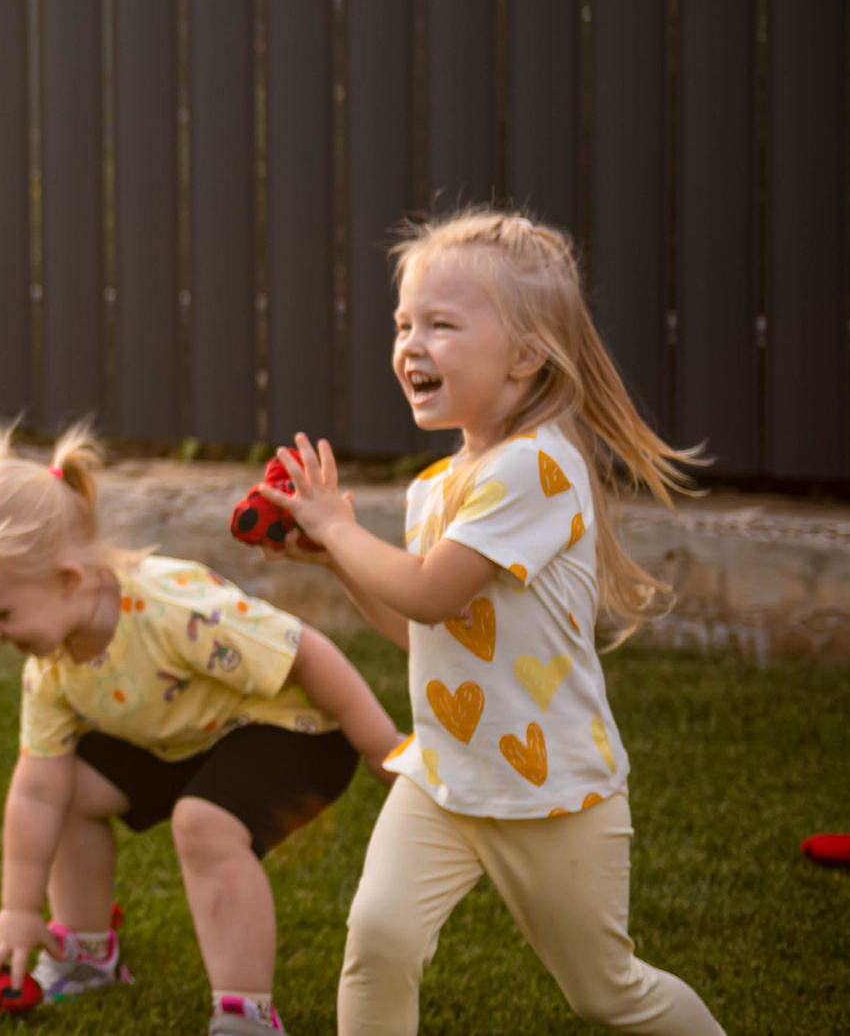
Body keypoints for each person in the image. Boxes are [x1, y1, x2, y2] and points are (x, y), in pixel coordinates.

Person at [261, 209, 724, 1035]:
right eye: (403, 323)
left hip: (551, 792)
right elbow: (423, 626)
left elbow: (430, 592)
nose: (411, 344)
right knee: (378, 939)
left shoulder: (537, 467)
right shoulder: (435, 487)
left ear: (525, 355)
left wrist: (339, 528)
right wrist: (334, 555)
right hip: (447, 772)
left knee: (607, 992)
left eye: (441, 324)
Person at [0, 422, 401, 1036]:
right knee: (68, 791)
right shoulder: (50, 667)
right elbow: (37, 789)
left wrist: (384, 747)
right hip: (187, 739)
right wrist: (18, 909)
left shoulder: (172, 609)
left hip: (296, 729)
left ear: (69, 580)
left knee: (202, 822)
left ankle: (245, 1015)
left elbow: (306, 653)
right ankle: (86, 957)